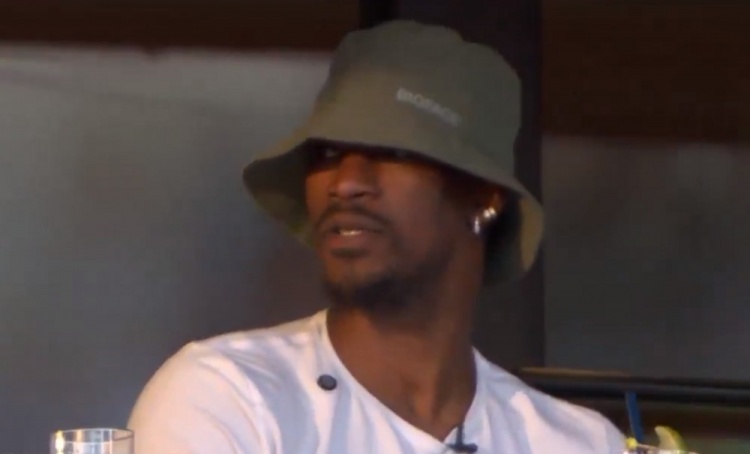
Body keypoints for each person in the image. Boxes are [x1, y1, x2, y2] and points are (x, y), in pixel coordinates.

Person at [128, 20, 625, 454]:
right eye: (327, 154)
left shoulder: (573, 442)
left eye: (393, 150)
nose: (345, 183)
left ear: (483, 196)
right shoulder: (230, 396)